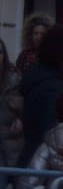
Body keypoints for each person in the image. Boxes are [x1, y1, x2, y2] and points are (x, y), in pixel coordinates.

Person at [19, 26, 63, 167]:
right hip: (41, 169)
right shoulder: (53, 88)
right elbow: (55, 139)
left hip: (33, 162)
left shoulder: (41, 79)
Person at [0, 38, 23, 168]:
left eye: (0, 52)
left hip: (9, 146)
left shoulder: (16, 79)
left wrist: (21, 119)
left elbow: (27, 107)